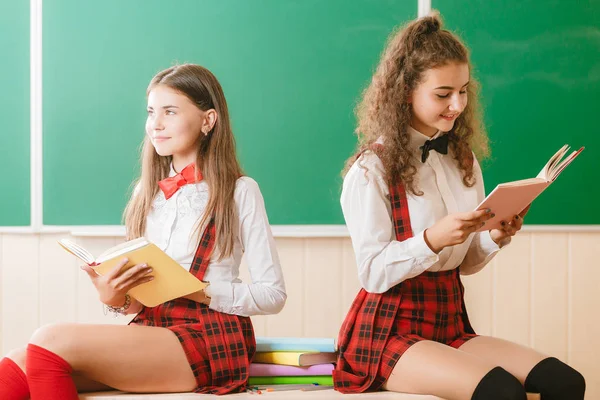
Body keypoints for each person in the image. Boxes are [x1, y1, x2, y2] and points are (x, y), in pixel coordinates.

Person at [333, 13, 585, 400]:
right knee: (502, 392)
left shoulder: (462, 159)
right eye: (443, 93)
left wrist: (494, 237)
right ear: (405, 92)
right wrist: (432, 239)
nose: (457, 104)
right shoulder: (369, 171)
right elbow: (372, 274)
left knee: (566, 383)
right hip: (388, 332)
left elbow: (465, 261)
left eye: (463, 91)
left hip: (448, 322)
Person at [0, 63, 287, 399]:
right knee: (15, 365)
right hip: (152, 329)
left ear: (208, 120)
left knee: (48, 339)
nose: (156, 124)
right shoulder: (145, 192)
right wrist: (115, 297)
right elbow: (137, 303)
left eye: (170, 111)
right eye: (151, 112)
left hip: (209, 336)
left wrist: (202, 291)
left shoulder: (240, 190)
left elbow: (273, 295)